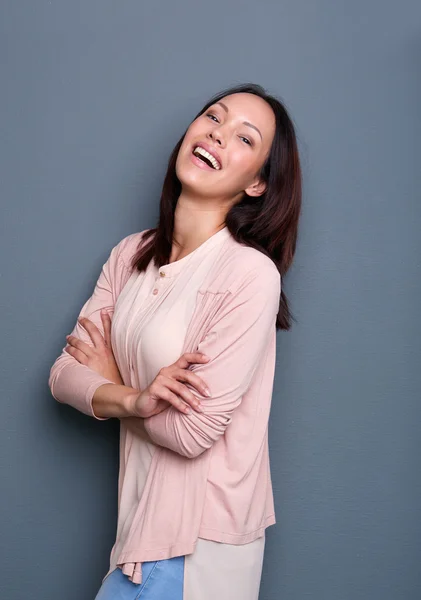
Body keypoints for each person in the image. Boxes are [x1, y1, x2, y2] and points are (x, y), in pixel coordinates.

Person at [48, 82, 302, 600]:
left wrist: (112, 384)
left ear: (257, 184)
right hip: (139, 537)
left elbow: (193, 433)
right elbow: (63, 376)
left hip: (197, 550)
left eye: (244, 138)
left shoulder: (248, 274)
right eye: (213, 116)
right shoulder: (131, 255)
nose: (217, 133)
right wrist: (136, 397)